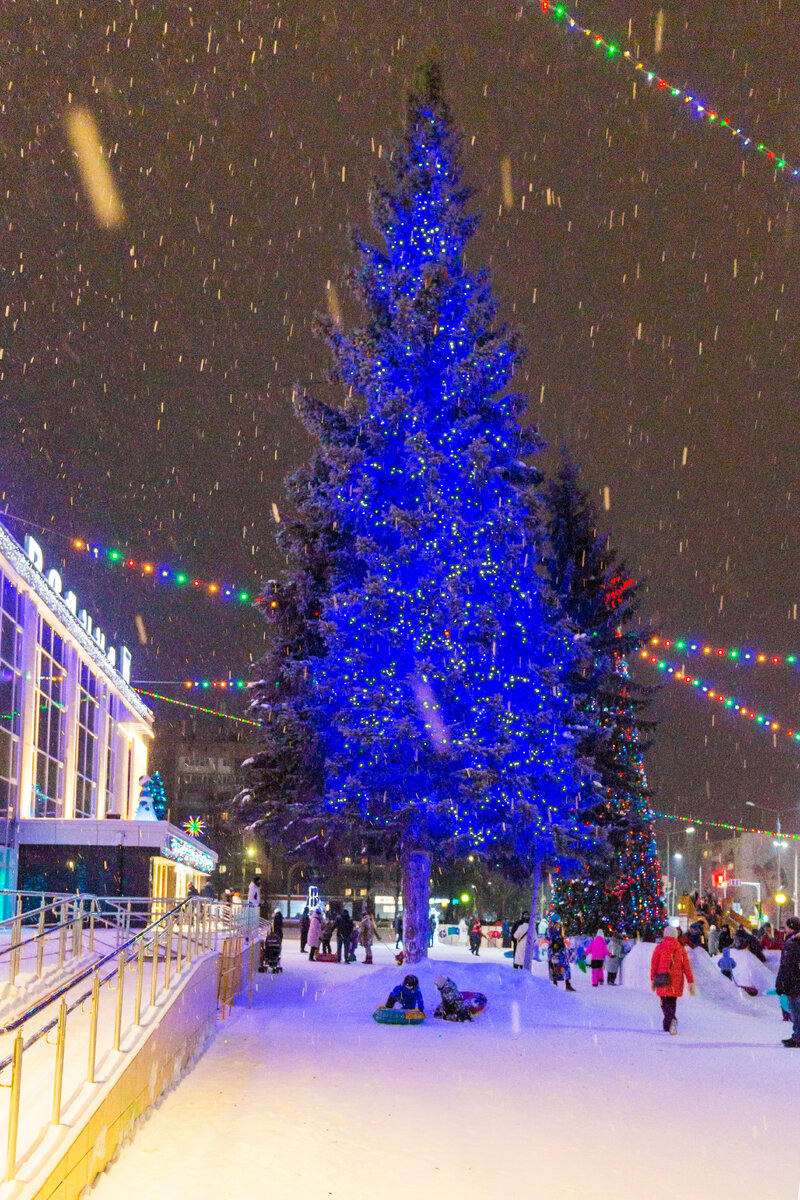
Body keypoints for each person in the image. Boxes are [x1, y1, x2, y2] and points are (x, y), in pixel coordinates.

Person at [650, 925, 696, 1035]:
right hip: (677, 979)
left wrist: (653, 978)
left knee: (664, 1002)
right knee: (672, 1002)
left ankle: (671, 1019)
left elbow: (654, 964)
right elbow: (686, 967)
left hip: (663, 978)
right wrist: (690, 981)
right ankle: (668, 1025)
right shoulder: (680, 948)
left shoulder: (659, 947)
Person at [775, 915, 800, 1048]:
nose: (784, 930)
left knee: (796, 1011)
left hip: (795, 983)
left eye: (785, 927)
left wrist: (781, 983)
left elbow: (786, 966)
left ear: (791, 927)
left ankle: (798, 1038)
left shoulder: (792, 944)